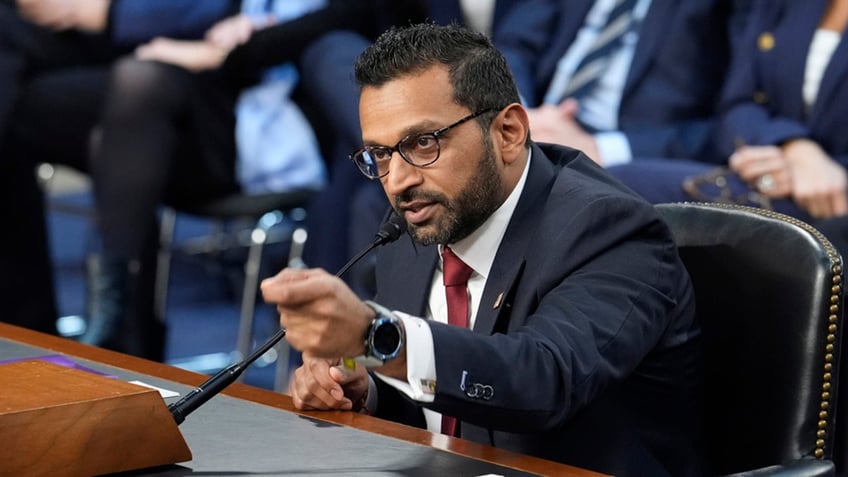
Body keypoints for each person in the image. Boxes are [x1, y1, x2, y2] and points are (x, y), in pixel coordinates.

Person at [261, 23, 702, 476]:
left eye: (422, 143)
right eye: (381, 153)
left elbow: (541, 379)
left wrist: (376, 337)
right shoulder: (417, 219)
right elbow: (451, 416)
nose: (397, 181)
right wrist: (365, 391)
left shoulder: (610, 230)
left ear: (508, 132)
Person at [0, 0, 237, 343]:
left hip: (200, 79)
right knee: (12, 105)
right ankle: (37, 336)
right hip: (114, 59)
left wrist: (107, 12)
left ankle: (74, 330)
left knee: (128, 113)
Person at [606, 0, 848, 258]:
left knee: (621, 191)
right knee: (607, 189)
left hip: (836, 208)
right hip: (771, 180)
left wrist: (832, 173)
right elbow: (738, 103)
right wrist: (793, 148)